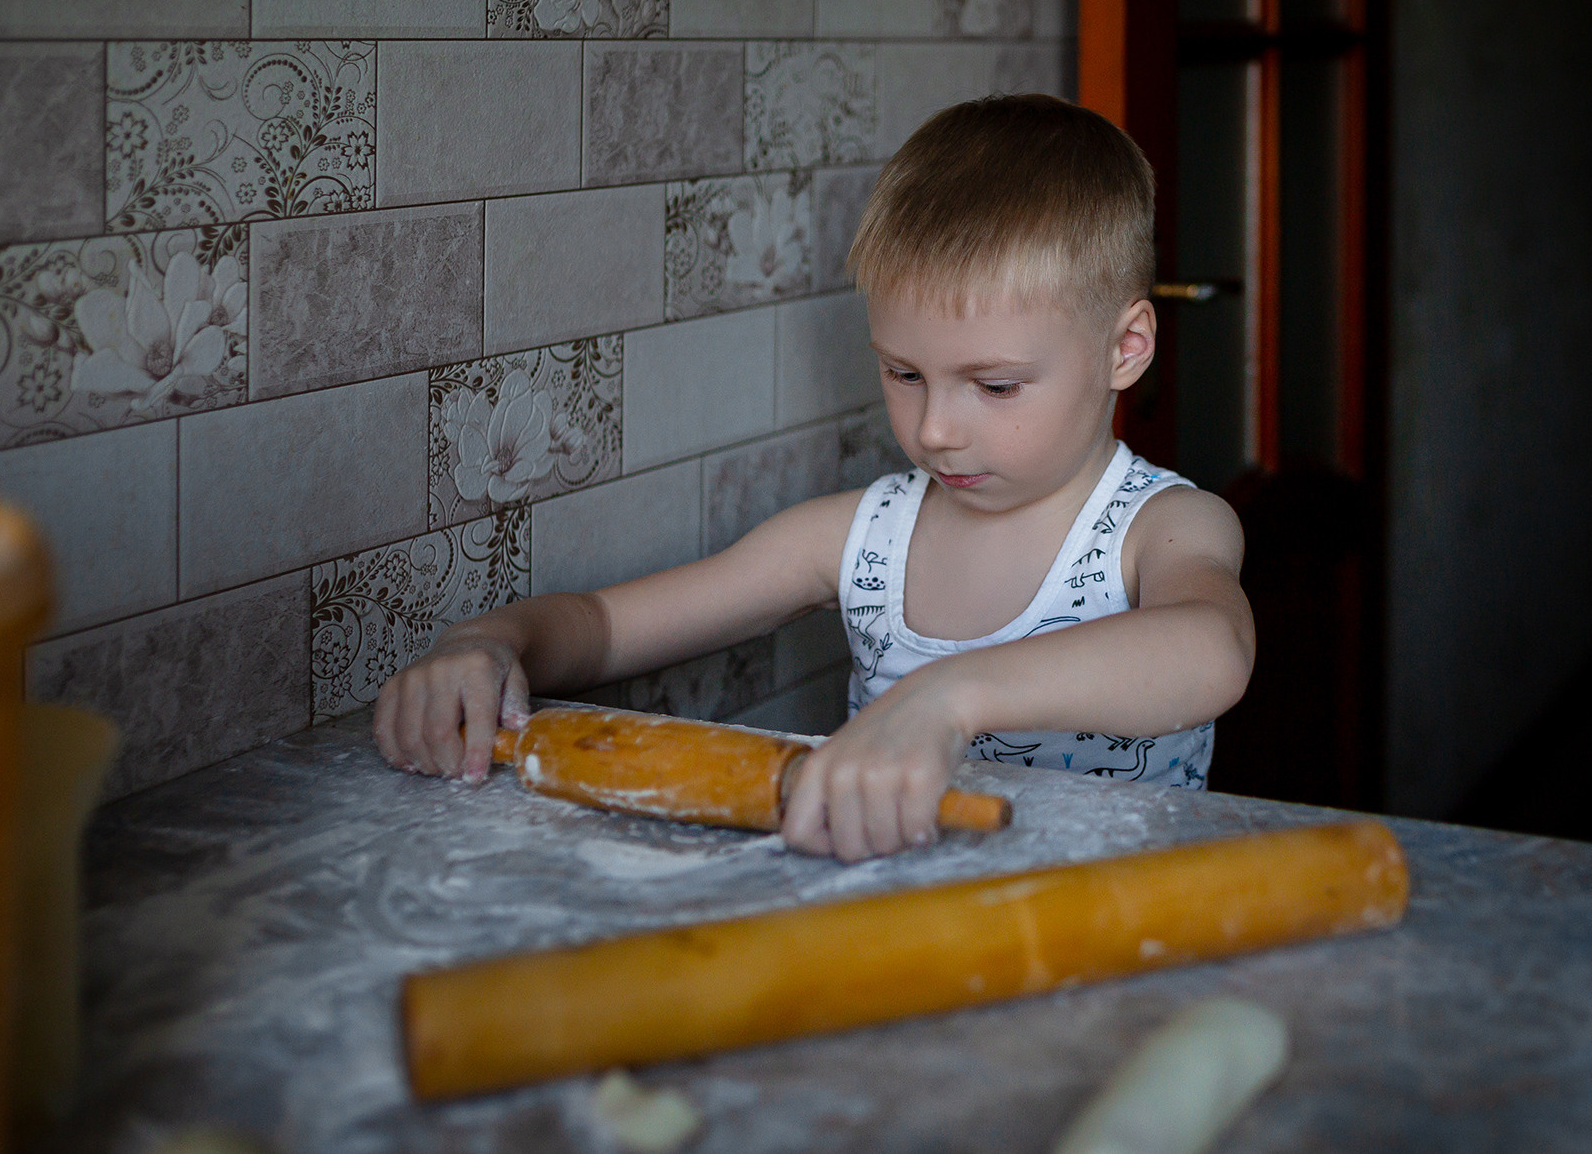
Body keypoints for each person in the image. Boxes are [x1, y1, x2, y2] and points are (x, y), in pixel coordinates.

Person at [372, 94, 1254, 862]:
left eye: (993, 385)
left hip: (1116, 939)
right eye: (903, 373)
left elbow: (1210, 649)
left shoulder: (1163, 528)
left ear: (1124, 347)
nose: (935, 429)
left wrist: (948, 697)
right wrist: (486, 641)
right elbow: (604, 629)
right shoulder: (861, 539)